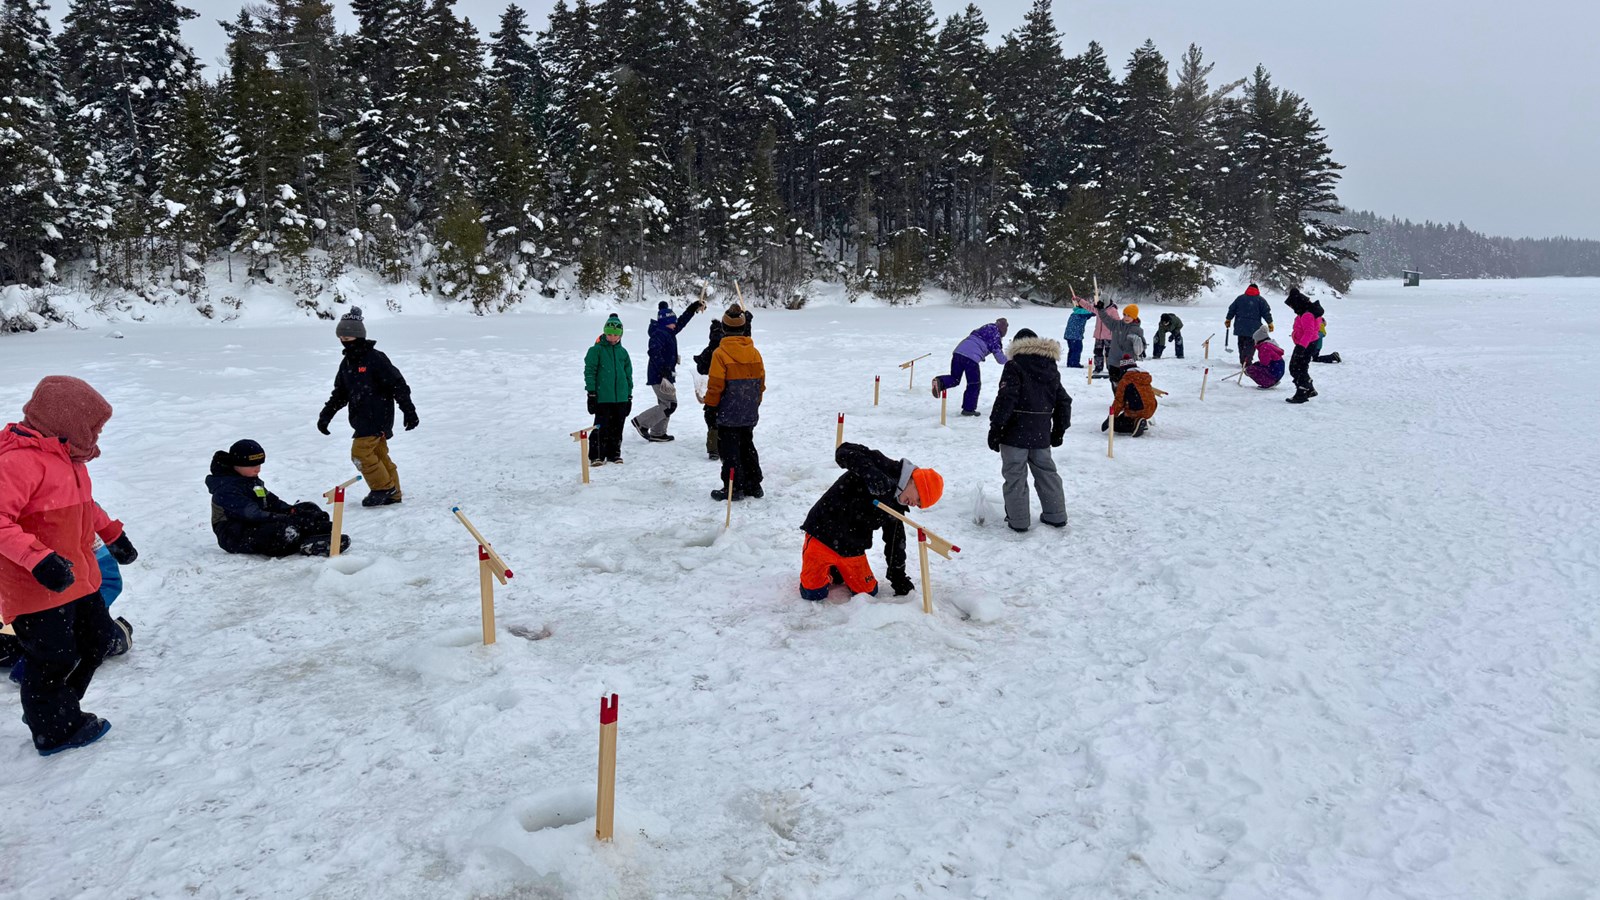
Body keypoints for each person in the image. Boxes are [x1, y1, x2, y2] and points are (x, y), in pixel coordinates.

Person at [0, 376, 137, 756]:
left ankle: (53, 708)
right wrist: (38, 558)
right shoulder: (16, 462)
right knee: (53, 659)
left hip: (77, 577)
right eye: (93, 426)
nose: (97, 434)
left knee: (97, 640)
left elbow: (85, 506)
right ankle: (54, 727)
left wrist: (112, 533)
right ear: (68, 421)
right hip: (36, 586)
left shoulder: (68, 460)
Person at [799, 443, 944, 601]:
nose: (915, 504)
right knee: (814, 594)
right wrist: (869, 472)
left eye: (919, 505)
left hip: (851, 548)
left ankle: (836, 569)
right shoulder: (884, 466)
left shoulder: (897, 506)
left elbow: (895, 542)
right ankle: (828, 571)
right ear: (915, 482)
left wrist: (898, 577)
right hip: (822, 534)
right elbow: (843, 450)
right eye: (919, 499)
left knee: (868, 593)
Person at [317, 308, 419, 506]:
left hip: (378, 415)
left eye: (348, 337)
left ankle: (383, 488)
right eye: (341, 337)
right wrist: (326, 415)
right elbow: (340, 393)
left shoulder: (375, 358)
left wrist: (409, 411)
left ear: (358, 336)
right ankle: (393, 493)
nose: (344, 341)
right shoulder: (347, 363)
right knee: (379, 455)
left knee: (361, 454)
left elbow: (398, 385)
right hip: (361, 417)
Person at [987, 329, 1072, 532]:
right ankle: (1055, 515)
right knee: (1047, 474)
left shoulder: (1014, 365)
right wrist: (1059, 429)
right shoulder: (1050, 366)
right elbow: (1063, 400)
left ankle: (1018, 520)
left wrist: (996, 427)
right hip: (1040, 434)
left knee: (1015, 476)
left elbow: (1006, 398)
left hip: (1014, 433)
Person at [205, 439, 351, 557]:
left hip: (258, 523)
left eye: (259, 464)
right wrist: (286, 518)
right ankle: (304, 542)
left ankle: (312, 530)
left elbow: (270, 501)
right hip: (236, 534)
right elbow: (252, 513)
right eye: (252, 465)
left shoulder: (251, 480)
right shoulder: (226, 489)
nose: (258, 469)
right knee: (282, 531)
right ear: (237, 465)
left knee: (308, 508)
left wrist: (292, 510)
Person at [703, 307, 765, 500]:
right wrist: (754, 404)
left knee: (729, 451)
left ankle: (734, 487)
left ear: (723, 328)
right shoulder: (754, 352)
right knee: (747, 445)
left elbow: (715, 386)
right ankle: (754, 484)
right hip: (748, 410)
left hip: (728, 412)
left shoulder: (720, 354)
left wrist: (710, 407)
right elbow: (760, 384)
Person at [633, 298, 706, 443]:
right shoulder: (659, 334)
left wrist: (692, 309)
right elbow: (653, 352)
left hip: (665, 375)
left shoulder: (668, 330)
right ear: (666, 323)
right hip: (659, 375)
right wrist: (663, 369)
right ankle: (641, 422)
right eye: (673, 322)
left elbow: (682, 322)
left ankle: (658, 433)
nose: (675, 324)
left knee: (664, 403)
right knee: (670, 404)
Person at [693, 305, 754, 460]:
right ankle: (733, 451)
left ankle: (716, 448)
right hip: (742, 393)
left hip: (724, 392)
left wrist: (710, 405)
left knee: (715, 420)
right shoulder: (745, 347)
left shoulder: (719, 350)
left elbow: (707, 373)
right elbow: (744, 340)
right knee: (738, 427)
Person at [584, 313, 634, 465]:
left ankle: (614, 453)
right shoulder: (596, 350)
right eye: (609, 334)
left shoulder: (623, 352)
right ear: (605, 333)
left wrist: (629, 395)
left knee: (617, 427)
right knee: (601, 427)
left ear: (620, 335)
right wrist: (591, 393)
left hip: (621, 397)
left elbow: (628, 375)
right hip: (603, 396)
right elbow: (590, 372)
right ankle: (597, 455)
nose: (612, 337)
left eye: (615, 335)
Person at [932, 318, 1008, 416]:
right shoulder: (995, 337)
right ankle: (968, 409)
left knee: (955, 378)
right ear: (1003, 329)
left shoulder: (984, 328)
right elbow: (1001, 360)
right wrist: (1010, 359)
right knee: (974, 384)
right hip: (971, 359)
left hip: (958, 352)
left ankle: (940, 381)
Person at [1078, 297, 1146, 385]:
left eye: (1129, 315)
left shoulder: (1137, 330)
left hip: (1127, 362)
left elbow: (1142, 345)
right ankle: (1099, 368)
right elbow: (1105, 318)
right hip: (1113, 361)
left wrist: (1141, 349)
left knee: (1125, 385)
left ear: (1134, 317)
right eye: (1124, 314)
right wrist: (1100, 309)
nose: (1126, 317)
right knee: (1114, 384)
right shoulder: (1117, 325)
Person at [1102, 354, 1158, 436]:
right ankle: (1141, 421)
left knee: (1115, 425)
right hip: (1151, 408)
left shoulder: (1125, 380)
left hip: (1138, 410)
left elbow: (1119, 401)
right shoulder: (1144, 377)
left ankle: (1135, 423)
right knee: (1123, 417)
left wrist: (1110, 418)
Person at [1225, 284, 1274, 367]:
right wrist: (1270, 323)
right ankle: (1247, 362)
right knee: (1250, 345)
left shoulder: (1240, 298)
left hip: (1240, 326)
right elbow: (1266, 312)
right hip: (1253, 328)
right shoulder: (1260, 300)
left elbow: (1232, 309)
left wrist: (1228, 319)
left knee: (1241, 343)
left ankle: (1243, 360)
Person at [1285, 289, 1319, 404]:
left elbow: (1309, 332)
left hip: (1306, 345)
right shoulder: (1308, 311)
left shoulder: (1307, 314)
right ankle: (1309, 388)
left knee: (1295, 368)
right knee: (1301, 367)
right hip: (1308, 344)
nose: (1292, 309)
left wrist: (1301, 347)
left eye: (1292, 306)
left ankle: (1302, 392)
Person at [1090, 298, 1119, 377]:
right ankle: (1098, 367)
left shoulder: (1113, 310)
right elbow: (1088, 306)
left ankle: (1111, 368)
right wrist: (1079, 300)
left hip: (1109, 336)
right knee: (1097, 352)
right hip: (1099, 336)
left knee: (1109, 353)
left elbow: (1117, 322)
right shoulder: (1098, 309)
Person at [1062, 303, 1094, 368]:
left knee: (1072, 349)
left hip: (1069, 335)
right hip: (1075, 335)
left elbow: (1088, 315)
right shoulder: (1082, 312)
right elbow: (1092, 313)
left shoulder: (1076, 312)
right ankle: (1074, 363)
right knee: (1077, 349)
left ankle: (1070, 362)